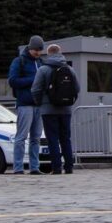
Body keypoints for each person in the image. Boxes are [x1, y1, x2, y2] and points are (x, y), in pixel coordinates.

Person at [31, 44, 78, 174]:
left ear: (48, 53)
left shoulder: (43, 69)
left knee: (52, 138)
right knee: (65, 138)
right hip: (66, 109)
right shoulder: (69, 69)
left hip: (48, 109)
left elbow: (35, 89)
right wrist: (69, 102)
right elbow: (77, 89)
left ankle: (56, 167)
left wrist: (40, 103)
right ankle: (69, 167)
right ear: (60, 53)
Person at [7, 35, 44, 175]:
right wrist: (33, 80)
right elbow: (13, 81)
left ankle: (34, 167)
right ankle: (18, 167)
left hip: (38, 104)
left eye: (40, 50)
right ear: (30, 48)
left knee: (36, 138)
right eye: (36, 50)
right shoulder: (19, 61)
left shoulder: (41, 62)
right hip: (25, 104)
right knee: (21, 137)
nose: (38, 53)